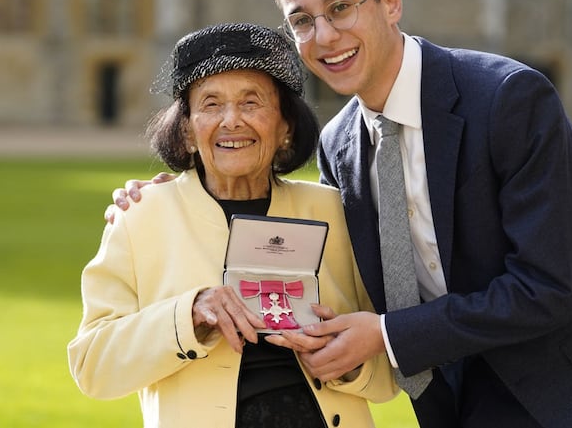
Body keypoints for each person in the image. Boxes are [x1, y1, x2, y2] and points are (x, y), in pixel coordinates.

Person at [110, 0, 572, 428]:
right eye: (302, 21)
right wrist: (168, 192)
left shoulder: (508, 97)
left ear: (390, 2)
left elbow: (546, 286)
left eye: (341, 7)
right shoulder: (337, 145)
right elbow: (266, 194)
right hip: (472, 394)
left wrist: (382, 334)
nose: (324, 36)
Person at [68, 22, 397, 428]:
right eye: (210, 104)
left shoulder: (335, 212)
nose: (231, 121)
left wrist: (343, 360)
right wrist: (188, 314)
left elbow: (387, 375)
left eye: (251, 102)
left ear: (285, 129)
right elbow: (92, 367)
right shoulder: (141, 216)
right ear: (187, 131)